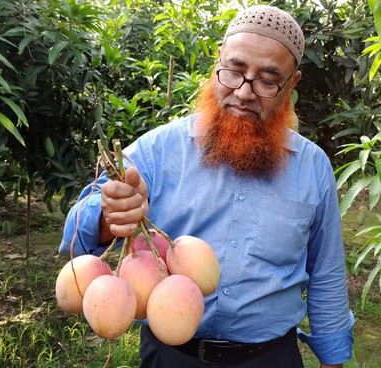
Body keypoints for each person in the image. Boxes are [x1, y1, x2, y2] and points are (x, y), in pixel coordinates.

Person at [58, 5, 354, 368]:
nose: (245, 92)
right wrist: (112, 214)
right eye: (235, 70)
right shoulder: (157, 150)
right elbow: (77, 233)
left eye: (267, 79)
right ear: (218, 61)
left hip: (271, 357)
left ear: (291, 85)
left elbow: (326, 273)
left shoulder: (312, 168)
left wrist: (333, 358)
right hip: (171, 357)